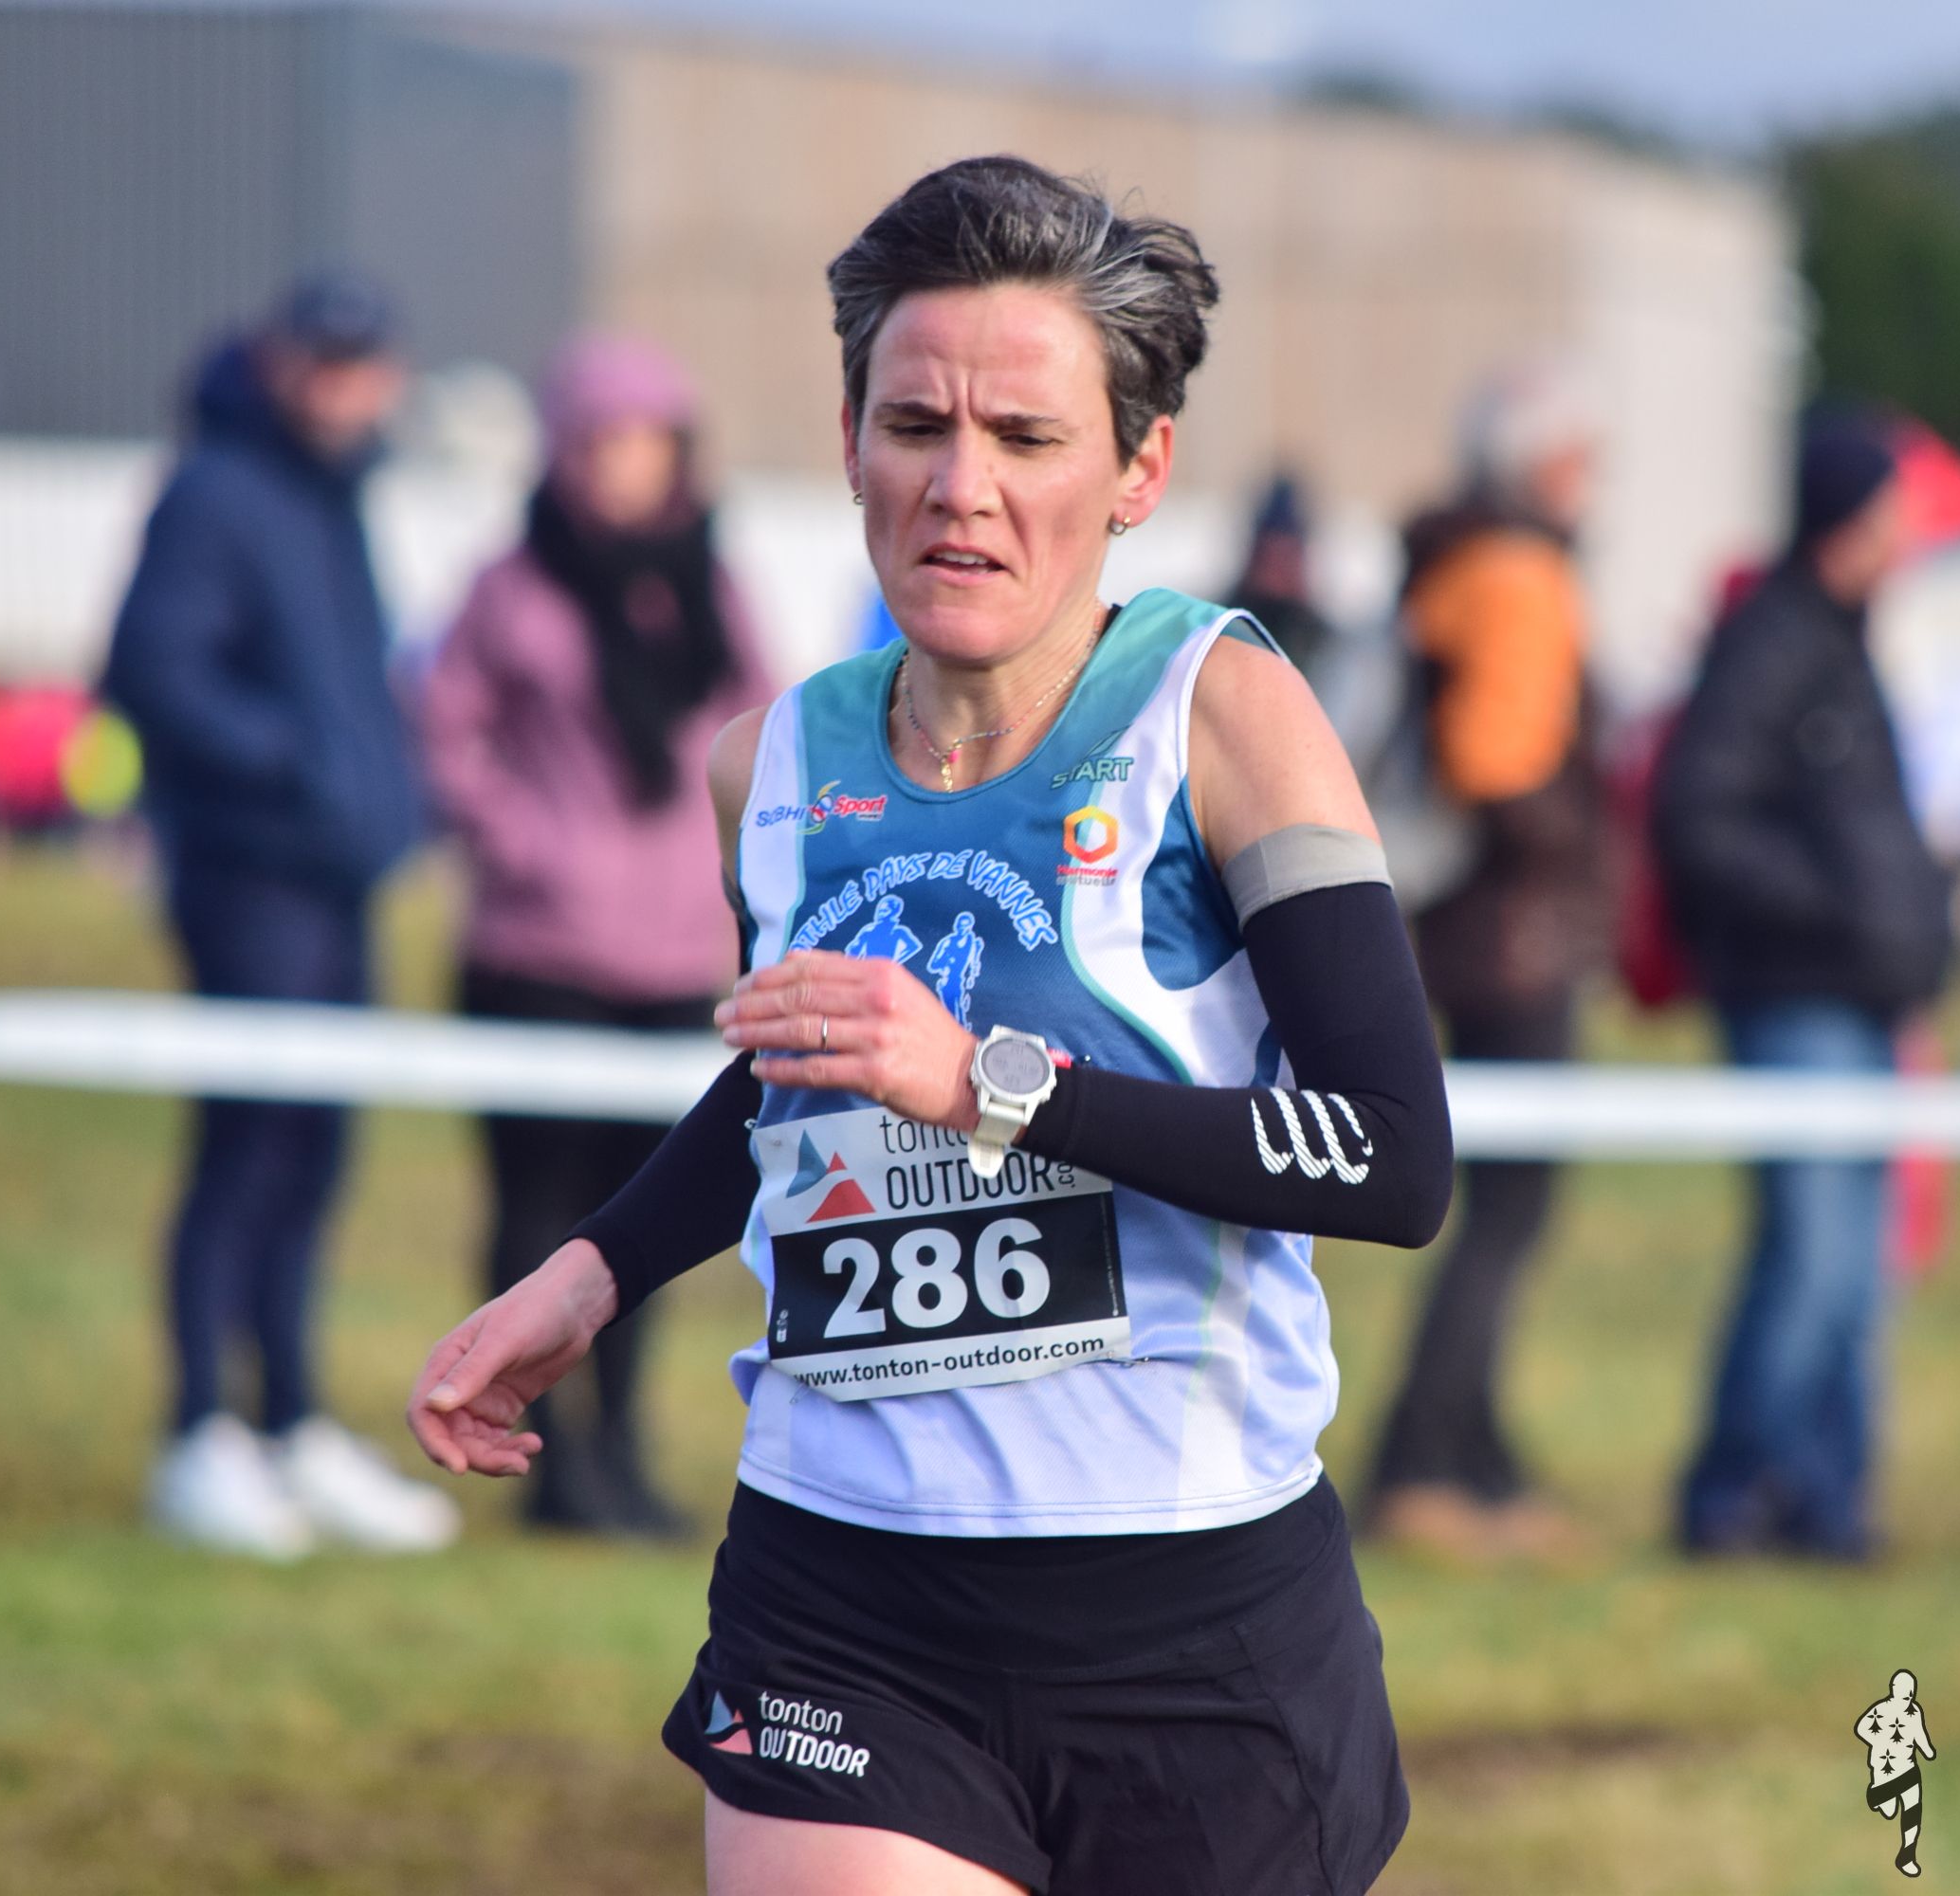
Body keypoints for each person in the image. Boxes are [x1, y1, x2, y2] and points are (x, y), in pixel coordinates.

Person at [408, 156, 1452, 1896]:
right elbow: (798, 1079)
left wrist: (987, 1083)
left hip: (1185, 1610)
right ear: (848, 443)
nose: (960, 488)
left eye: (1026, 437)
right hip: (842, 1588)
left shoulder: (1222, 713)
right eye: (915, 426)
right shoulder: (769, 763)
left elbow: (1394, 1160)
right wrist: (588, 1275)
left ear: (1138, 469)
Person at [104, 272, 455, 1559]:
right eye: (328, 359)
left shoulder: (339, 495)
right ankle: (202, 1431)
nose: (349, 387)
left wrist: (378, 790)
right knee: (247, 1147)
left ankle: (291, 1420)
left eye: (368, 363)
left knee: (314, 1152)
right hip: (250, 876)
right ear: (280, 362)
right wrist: (300, 769)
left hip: (337, 878)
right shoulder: (216, 492)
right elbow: (154, 670)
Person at [423, 334, 776, 1537]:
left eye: (647, 440)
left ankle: (619, 1451)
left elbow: (769, 727)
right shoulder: (509, 585)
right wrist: (528, 846)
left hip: (676, 954)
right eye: (604, 440)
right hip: (537, 952)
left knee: (644, 1220)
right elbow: (444, 733)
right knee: (537, 1208)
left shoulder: (711, 586)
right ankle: (544, 1461)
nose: (626, 462)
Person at [1653, 408, 1951, 1561]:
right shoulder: (1774, 641)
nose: (1907, 534)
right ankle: (1734, 1490)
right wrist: (1835, 910)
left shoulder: (1841, 640)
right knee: (1813, 1259)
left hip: (1859, 998)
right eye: (1891, 510)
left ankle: (1828, 1499)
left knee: (1857, 1273)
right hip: (1797, 994)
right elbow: (1698, 816)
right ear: (1847, 518)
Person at [1362, 359, 1607, 1565]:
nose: (1593, 474)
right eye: (1580, 450)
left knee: (1491, 1208)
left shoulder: (1453, 557)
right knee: (1508, 1210)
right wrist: (1584, 843)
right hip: (1514, 930)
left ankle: (1467, 1451)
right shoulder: (1517, 569)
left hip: (1460, 923)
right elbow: (1497, 759)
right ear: (1540, 459)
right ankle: (1431, 1460)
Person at [1225, 472, 1335, 678]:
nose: (1276, 573)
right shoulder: (1222, 628)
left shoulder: (1323, 640)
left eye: (1286, 558)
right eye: (1269, 558)